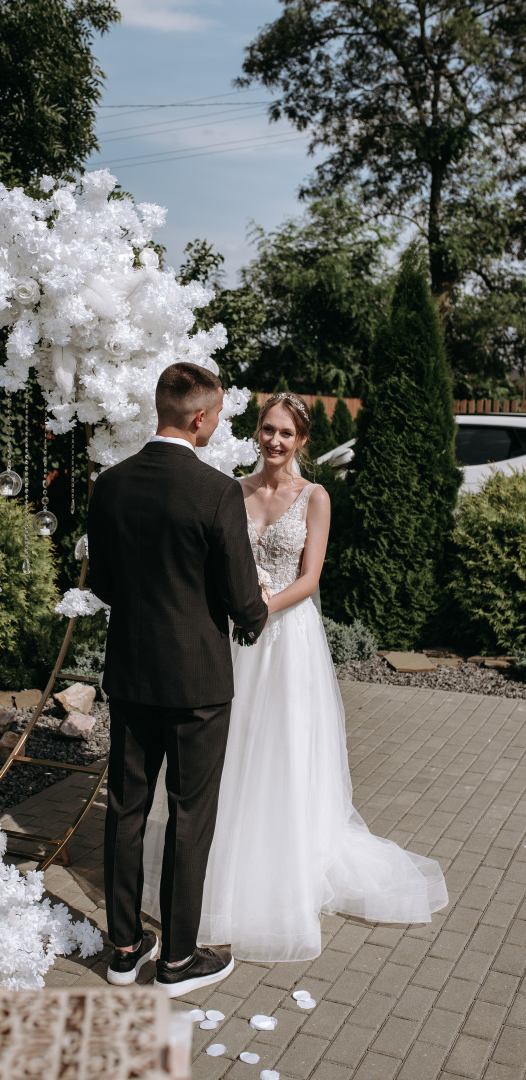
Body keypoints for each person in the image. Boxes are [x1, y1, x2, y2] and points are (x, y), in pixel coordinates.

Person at [142, 392, 448, 962]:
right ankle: (215, 862)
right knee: (226, 751)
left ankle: (281, 864)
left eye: (286, 433)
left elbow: (310, 578)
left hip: (286, 637)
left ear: (302, 441)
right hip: (233, 638)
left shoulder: (316, 497)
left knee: (281, 747)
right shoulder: (231, 489)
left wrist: (262, 606)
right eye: (267, 430)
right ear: (255, 432)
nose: (274, 442)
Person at [87, 362, 269, 996]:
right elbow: (244, 601)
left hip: (132, 672)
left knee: (126, 808)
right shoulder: (216, 491)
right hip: (196, 683)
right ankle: (178, 959)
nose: (217, 425)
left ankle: (121, 949)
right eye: (217, 415)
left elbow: (103, 584)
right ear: (199, 418)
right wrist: (251, 615)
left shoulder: (109, 485)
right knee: (191, 815)